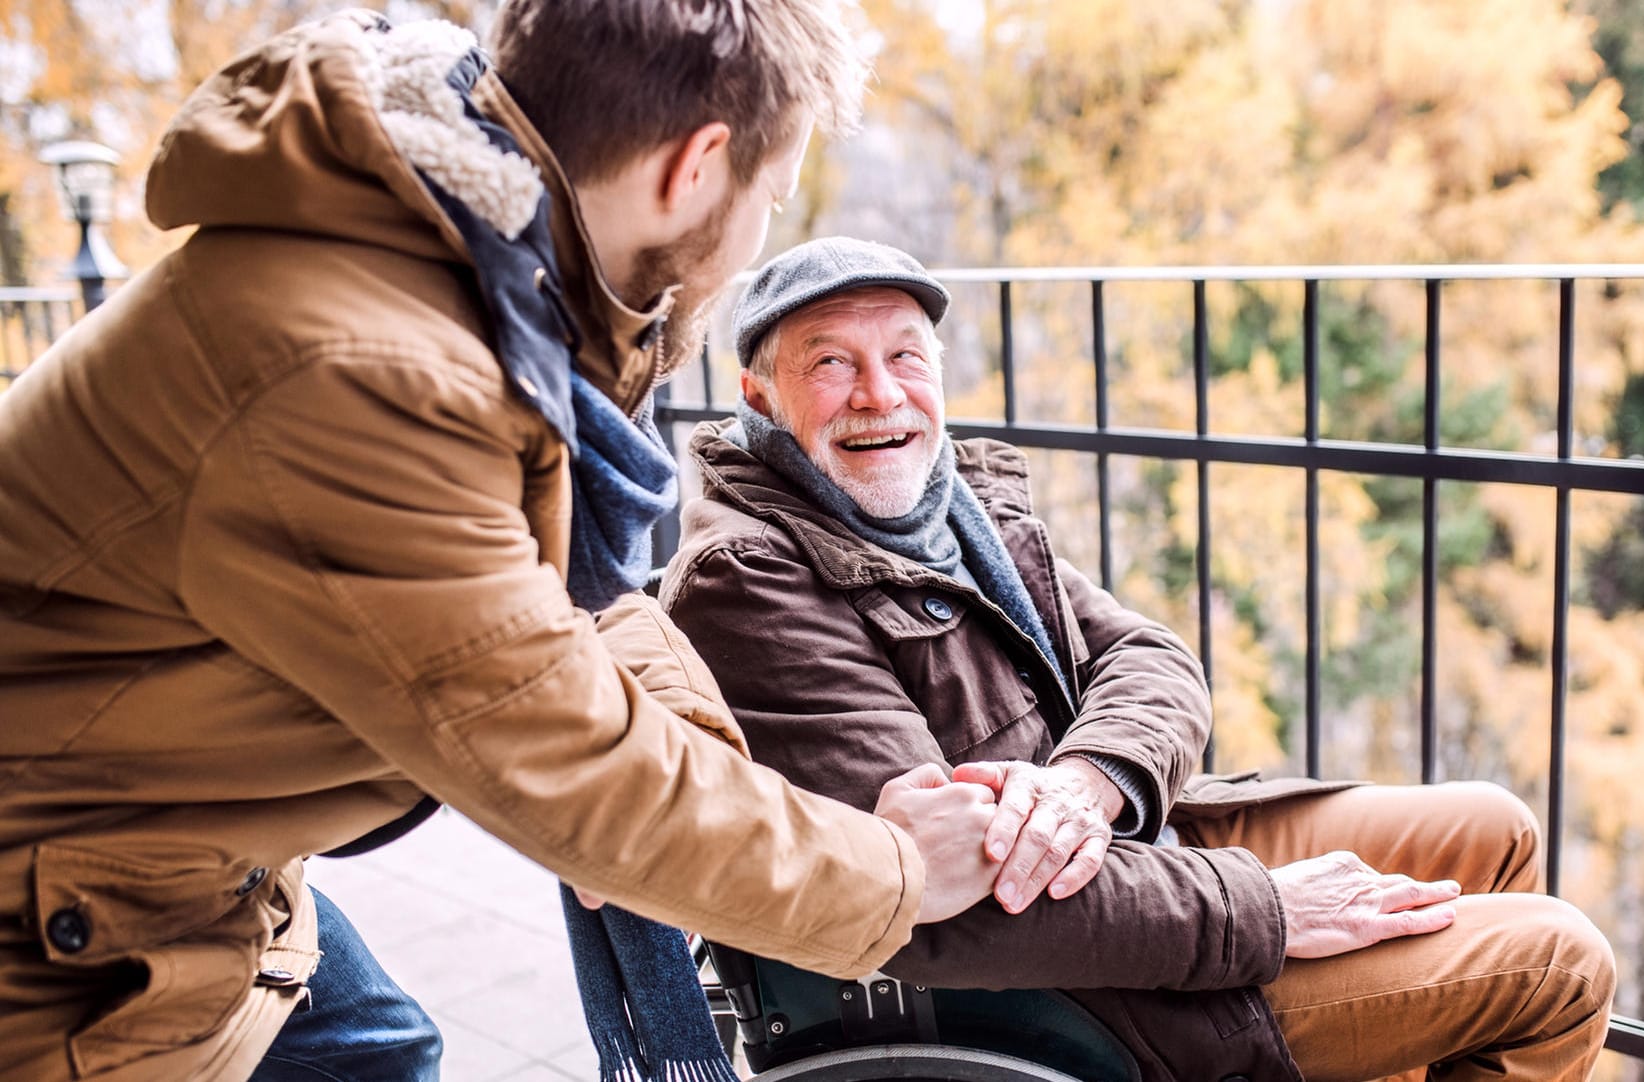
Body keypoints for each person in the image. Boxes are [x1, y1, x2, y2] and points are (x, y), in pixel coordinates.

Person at [0, 10, 1005, 1081]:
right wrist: (898, 871)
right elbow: (573, 767)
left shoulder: (479, 256)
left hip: (184, 833)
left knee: (381, 1051)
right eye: (773, 193)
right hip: (65, 905)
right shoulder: (365, 375)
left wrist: (705, 761)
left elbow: (575, 594)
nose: (761, 230)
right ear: (698, 167)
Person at [657, 236, 1620, 1082]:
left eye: (905, 356)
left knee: (1494, 829)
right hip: (1082, 982)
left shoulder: (948, 507)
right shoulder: (749, 577)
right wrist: (1264, 910)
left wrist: (1085, 784)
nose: (881, 393)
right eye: (832, 363)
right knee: (1559, 965)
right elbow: (932, 912)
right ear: (760, 395)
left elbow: (1150, 658)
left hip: (1131, 853)